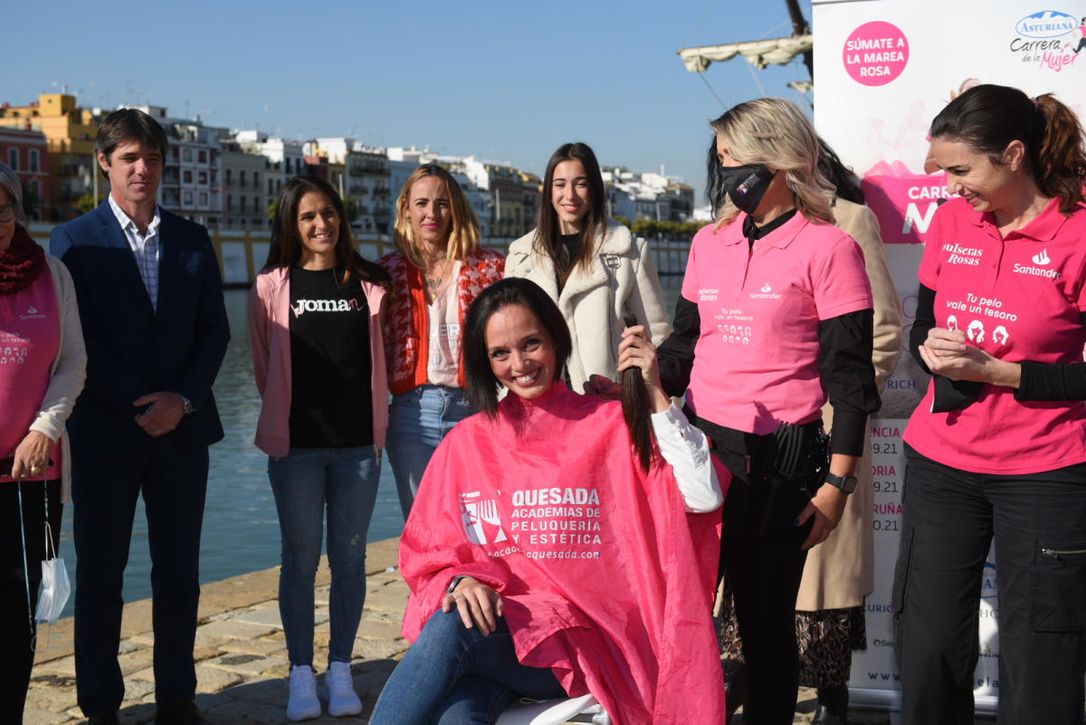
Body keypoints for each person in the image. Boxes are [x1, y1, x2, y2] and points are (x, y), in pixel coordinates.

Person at [368, 277, 727, 725]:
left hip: (592, 643)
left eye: (531, 343)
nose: (519, 364)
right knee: (458, 712)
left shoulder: (612, 421)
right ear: (485, 362)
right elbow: (429, 551)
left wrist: (654, 394)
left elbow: (703, 494)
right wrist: (461, 581)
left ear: (556, 339)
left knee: (451, 633)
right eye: (501, 353)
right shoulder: (466, 442)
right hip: (503, 635)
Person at [655, 98, 880, 725]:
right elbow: (685, 344)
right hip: (700, 456)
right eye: (720, 160)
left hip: (780, 467)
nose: (724, 172)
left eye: (735, 159)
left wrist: (837, 484)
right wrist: (641, 373)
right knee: (686, 617)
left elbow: (850, 379)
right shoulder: (708, 242)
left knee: (764, 627)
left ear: (778, 159)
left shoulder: (830, 247)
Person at [893, 84, 1086, 725]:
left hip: (1047, 472)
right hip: (941, 463)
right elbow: (923, 325)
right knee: (927, 650)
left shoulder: (1079, 230)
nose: (950, 187)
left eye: (960, 170)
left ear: (1012, 154)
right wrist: (934, 352)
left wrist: (1000, 372)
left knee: (1041, 659)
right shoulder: (953, 222)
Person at [50, 108, 230, 725]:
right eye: (129, 158)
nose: (142, 170)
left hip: (184, 433)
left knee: (179, 573)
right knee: (102, 576)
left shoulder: (192, 239)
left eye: (151, 158)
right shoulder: (75, 240)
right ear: (104, 163)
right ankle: (101, 704)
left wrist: (181, 399)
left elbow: (215, 331)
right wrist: (141, 404)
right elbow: (79, 342)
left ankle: (177, 697)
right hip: (105, 435)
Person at [714, 140, 902, 724]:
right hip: (743, 448)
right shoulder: (724, 233)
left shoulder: (848, 223)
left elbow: (885, 331)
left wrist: (830, 404)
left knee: (818, 601)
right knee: (750, 610)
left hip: (817, 440)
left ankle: (830, 701)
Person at [249, 175, 391, 721]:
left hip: (358, 449)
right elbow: (265, 371)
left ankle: (340, 669)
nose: (321, 224)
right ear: (292, 224)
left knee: (350, 560)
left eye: (328, 213)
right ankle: (300, 676)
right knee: (300, 562)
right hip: (297, 452)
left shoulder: (368, 283)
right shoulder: (270, 287)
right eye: (308, 216)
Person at [0, 162, 86, 722]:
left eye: (3, 209)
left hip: (33, 475)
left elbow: (73, 362)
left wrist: (44, 429)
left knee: (19, 611)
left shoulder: (51, 275)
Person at [378, 164, 503, 518]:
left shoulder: (490, 267)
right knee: (424, 527)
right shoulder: (386, 272)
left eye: (442, 203)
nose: (431, 213)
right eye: (421, 203)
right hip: (411, 414)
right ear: (406, 209)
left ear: (456, 209)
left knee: (480, 525)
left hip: (476, 408)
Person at [506, 142, 670, 393]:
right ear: (548, 191)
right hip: (539, 403)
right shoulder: (521, 256)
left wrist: (657, 404)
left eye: (580, 184)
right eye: (560, 184)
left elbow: (656, 337)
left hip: (606, 401)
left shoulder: (628, 252)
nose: (569, 195)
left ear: (594, 189)